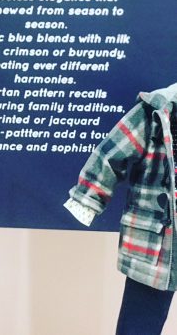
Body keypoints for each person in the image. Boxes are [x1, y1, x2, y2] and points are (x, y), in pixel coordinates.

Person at [65, 82, 177, 335]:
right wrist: (87, 199)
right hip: (157, 241)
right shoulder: (156, 110)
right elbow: (111, 153)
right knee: (140, 322)